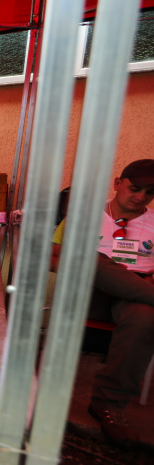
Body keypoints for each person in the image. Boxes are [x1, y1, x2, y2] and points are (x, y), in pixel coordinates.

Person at [51, 159, 154, 446]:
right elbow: (53, 257)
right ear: (118, 183)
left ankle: (108, 405)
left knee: (146, 318)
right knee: (90, 259)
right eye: (134, 188)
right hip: (89, 290)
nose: (141, 197)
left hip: (138, 293)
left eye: (149, 192)